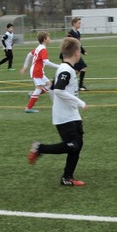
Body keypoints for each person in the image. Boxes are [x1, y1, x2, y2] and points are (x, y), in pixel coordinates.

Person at [27, 36, 88, 186]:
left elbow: (53, 90)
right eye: (79, 50)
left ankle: (67, 178)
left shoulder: (65, 68)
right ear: (76, 53)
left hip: (69, 114)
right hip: (65, 117)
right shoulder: (66, 70)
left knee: (77, 145)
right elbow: (59, 90)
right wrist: (79, 102)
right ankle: (40, 148)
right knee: (73, 145)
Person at [20, 31, 59, 113]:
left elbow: (29, 55)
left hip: (36, 70)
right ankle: (28, 108)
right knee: (39, 88)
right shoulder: (43, 50)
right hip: (37, 71)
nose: (50, 39)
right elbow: (46, 62)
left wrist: (25, 67)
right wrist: (59, 66)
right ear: (45, 39)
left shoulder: (39, 47)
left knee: (49, 84)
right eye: (49, 38)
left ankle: (32, 94)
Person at [66, 17, 89, 91]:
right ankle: (80, 86)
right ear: (74, 23)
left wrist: (83, 51)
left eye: (80, 23)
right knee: (83, 67)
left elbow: (79, 44)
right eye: (78, 23)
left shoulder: (78, 33)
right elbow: (69, 44)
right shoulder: (70, 34)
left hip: (77, 54)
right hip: (72, 55)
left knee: (75, 71)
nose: (80, 25)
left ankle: (65, 83)